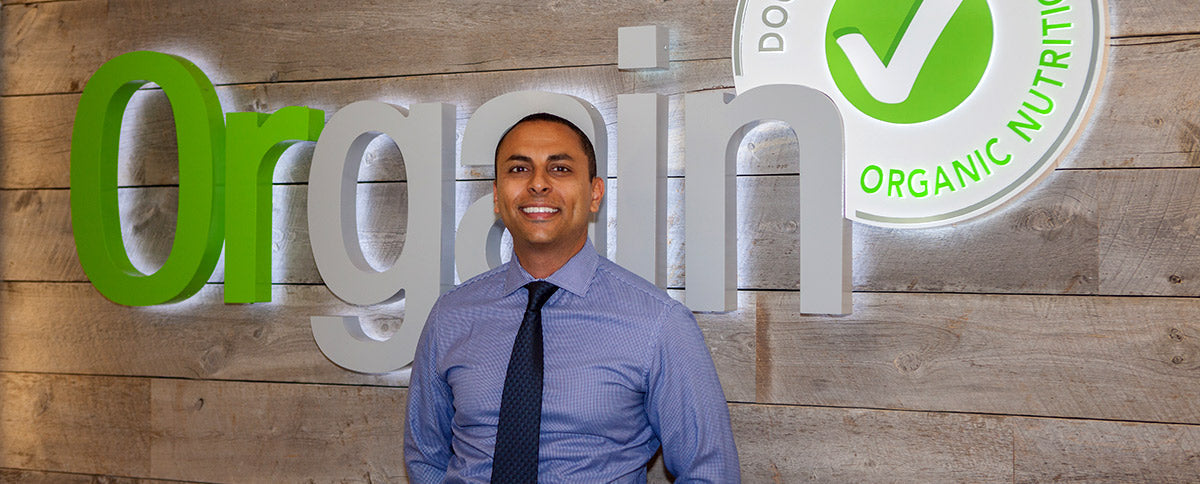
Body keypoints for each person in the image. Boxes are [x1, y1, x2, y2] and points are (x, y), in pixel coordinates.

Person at [404, 113, 740, 483]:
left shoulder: (658, 323)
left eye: (560, 168)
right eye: (519, 169)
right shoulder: (451, 316)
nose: (538, 184)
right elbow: (426, 455)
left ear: (595, 193)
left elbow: (710, 472)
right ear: (498, 197)